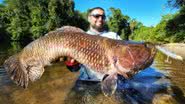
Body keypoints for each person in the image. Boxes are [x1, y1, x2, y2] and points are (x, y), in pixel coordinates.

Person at [65, 7, 121, 82]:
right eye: (97, 16)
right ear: (89, 18)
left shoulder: (114, 36)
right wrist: (71, 62)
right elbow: (74, 69)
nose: (100, 19)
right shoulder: (79, 38)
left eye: (103, 17)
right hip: (86, 82)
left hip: (111, 80)